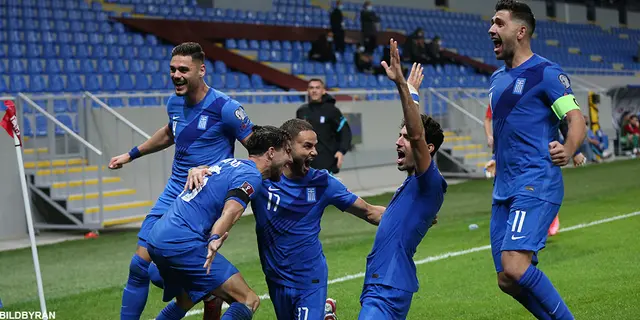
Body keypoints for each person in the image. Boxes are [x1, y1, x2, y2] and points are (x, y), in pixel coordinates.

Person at [108, 42, 254, 320]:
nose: (176, 75)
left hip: (201, 199)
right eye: (173, 69)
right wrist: (131, 154)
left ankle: (208, 292)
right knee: (141, 267)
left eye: (183, 70)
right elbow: (170, 132)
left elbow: (256, 153)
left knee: (162, 269)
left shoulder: (226, 108)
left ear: (202, 70)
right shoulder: (174, 102)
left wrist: (226, 183)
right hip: (173, 191)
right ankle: (208, 293)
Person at [187, 119, 386, 320]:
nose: (314, 152)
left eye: (315, 146)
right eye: (307, 146)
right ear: (287, 147)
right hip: (276, 279)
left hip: (310, 279)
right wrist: (199, 169)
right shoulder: (262, 178)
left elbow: (370, 212)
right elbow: (225, 171)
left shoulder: (323, 182)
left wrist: (407, 217)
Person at [488, 1, 586, 319]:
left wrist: (570, 148)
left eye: (499, 23)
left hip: (535, 180)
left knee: (516, 267)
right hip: (503, 188)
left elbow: (575, 118)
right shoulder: (496, 79)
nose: (491, 29)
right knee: (506, 278)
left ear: (521, 31)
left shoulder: (546, 73)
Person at [146, 125, 292, 320]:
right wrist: (215, 237)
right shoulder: (252, 175)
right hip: (182, 244)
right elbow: (231, 210)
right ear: (272, 152)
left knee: (187, 298)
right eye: (287, 152)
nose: (289, 159)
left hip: (158, 239)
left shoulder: (227, 164)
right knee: (247, 300)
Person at [358, 39, 447, 319]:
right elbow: (380, 215)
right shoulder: (412, 185)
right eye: (399, 135)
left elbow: (417, 134)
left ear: (427, 150)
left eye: (404, 137)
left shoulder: (429, 181)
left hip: (389, 284)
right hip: (380, 281)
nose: (399, 141)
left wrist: (402, 86)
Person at [296, 79, 352, 175]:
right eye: (311, 88)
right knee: (309, 189)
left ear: (323, 91)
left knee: (324, 188)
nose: (314, 90)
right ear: (308, 91)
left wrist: (341, 151)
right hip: (306, 160)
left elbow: (345, 132)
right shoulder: (302, 111)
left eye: (317, 88)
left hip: (327, 159)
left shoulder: (332, 111)